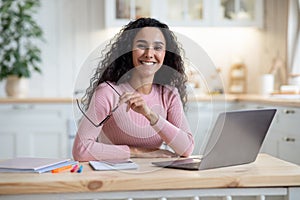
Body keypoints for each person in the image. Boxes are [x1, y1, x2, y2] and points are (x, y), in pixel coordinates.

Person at [73, 17, 194, 161]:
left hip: (156, 178)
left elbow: (186, 149)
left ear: (165, 54)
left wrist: (150, 114)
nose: (149, 54)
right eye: (142, 46)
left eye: (158, 47)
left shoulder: (168, 94)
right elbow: (81, 150)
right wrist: (137, 151)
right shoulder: (108, 92)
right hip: (114, 177)